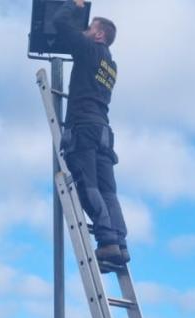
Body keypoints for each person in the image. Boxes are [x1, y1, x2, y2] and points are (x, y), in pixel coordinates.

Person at [53, 0, 128, 273]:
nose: (84, 32)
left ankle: (107, 240)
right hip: (103, 132)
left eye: (89, 28)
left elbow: (59, 24)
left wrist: (75, 5)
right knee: (108, 191)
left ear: (98, 35)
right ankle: (118, 244)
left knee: (87, 185)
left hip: (84, 127)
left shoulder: (89, 49)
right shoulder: (111, 65)